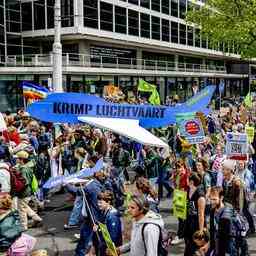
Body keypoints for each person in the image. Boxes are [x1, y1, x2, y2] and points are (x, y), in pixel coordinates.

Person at [209, 186, 249, 256]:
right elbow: (212, 230)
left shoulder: (226, 213)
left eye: (214, 199)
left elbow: (226, 237)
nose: (212, 202)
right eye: (211, 199)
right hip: (220, 241)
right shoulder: (213, 210)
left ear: (221, 198)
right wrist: (212, 246)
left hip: (231, 243)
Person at [15, 150, 42, 230]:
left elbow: (24, 182)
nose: (16, 160)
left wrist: (17, 187)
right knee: (24, 207)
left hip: (23, 193)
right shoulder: (27, 167)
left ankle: (24, 226)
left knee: (21, 210)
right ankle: (37, 218)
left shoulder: (24, 170)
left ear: (21, 160)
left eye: (17, 158)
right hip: (28, 192)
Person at [93, 191, 122, 255]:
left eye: (100, 202)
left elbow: (113, 237)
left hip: (110, 248)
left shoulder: (112, 216)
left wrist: (99, 230)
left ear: (108, 202)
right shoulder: (103, 211)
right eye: (98, 202)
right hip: (104, 245)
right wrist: (98, 228)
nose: (98, 204)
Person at [184, 173, 206, 256]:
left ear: (191, 182)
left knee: (196, 248)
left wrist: (200, 231)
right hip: (188, 222)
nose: (186, 180)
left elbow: (201, 215)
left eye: (187, 179)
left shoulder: (200, 197)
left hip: (196, 225)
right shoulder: (188, 190)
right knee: (189, 245)